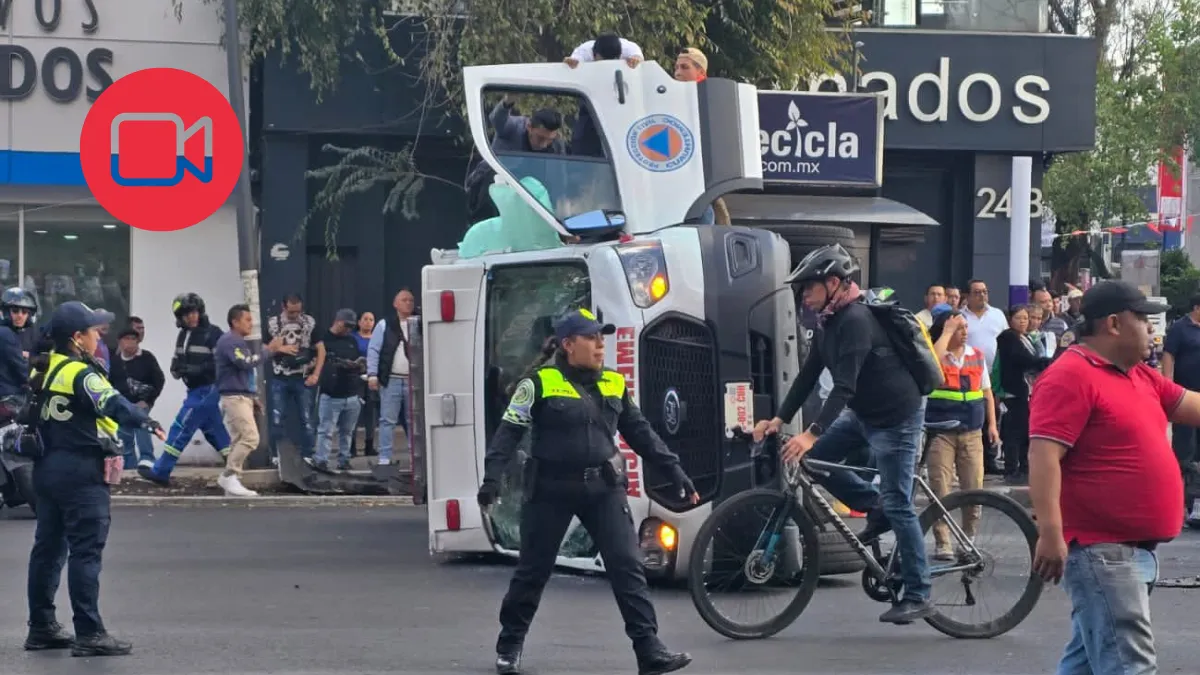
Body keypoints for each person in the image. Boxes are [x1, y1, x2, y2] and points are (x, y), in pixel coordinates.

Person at [478, 308, 698, 675]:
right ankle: (510, 643)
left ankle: (649, 650)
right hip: (550, 489)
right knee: (533, 571)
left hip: (602, 489)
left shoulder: (613, 383)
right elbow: (507, 435)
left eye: (602, 337)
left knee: (628, 567)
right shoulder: (537, 384)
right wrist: (491, 481)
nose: (600, 345)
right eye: (591, 338)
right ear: (567, 344)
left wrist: (674, 470)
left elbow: (641, 432)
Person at [752, 244, 931, 624]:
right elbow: (808, 375)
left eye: (809, 288)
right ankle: (876, 506)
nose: (804, 296)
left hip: (897, 417)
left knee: (899, 504)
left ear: (834, 283)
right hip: (864, 413)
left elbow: (843, 387)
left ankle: (918, 593)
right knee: (812, 461)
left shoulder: (855, 320)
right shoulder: (829, 321)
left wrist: (812, 433)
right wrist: (779, 420)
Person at [1028, 281, 1200, 675]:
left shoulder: (1138, 375)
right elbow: (1044, 455)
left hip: (1128, 552)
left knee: (1088, 663)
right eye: (1143, 319)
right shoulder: (1070, 375)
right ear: (1114, 324)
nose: (1152, 330)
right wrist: (1050, 532)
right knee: (1129, 665)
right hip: (1101, 551)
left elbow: (1191, 405)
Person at [25, 301, 166, 657]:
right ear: (77, 338)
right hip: (80, 472)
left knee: (48, 550)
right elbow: (111, 403)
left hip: (45, 469)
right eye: (92, 331)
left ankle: (41, 627)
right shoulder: (80, 373)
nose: (97, 335)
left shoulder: (43, 368)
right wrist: (146, 421)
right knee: (86, 552)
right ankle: (89, 632)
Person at [925, 303, 999, 560]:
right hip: (940, 432)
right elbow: (931, 365)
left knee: (973, 489)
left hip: (971, 431)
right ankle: (942, 542)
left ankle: (967, 540)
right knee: (940, 488)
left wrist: (992, 425)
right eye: (959, 327)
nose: (965, 331)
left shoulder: (976, 355)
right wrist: (946, 333)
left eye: (966, 327)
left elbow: (987, 392)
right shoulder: (937, 353)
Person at [138, 293, 231, 486]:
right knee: (215, 431)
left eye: (194, 312)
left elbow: (222, 363)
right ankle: (235, 469)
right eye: (187, 313)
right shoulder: (183, 334)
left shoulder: (213, 333)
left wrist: (199, 369)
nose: (192, 316)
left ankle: (161, 471)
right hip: (194, 389)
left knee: (180, 428)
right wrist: (177, 368)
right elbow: (178, 358)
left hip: (207, 389)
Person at [215, 304, 295, 496]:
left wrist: (252, 396)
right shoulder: (230, 342)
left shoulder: (237, 341)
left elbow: (245, 370)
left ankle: (232, 484)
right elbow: (246, 363)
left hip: (241, 395)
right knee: (251, 437)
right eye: (247, 320)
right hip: (234, 397)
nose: (251, 324)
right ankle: (230, 474)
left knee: (238, 439)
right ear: (235, 322)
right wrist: (271, 350)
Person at [306, 309, 366, 473]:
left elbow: (359, 361)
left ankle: (344, 459)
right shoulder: (324, 339)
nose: (348, 329)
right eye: (346, 325)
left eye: (351, 326)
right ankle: (321, 459)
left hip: (351, 392)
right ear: (338, 321)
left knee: (347, 431)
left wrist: (355, 366)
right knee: (326, 429)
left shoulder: (352, 341)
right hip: (331, 392)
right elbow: (315, 360)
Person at [367, 289, 417, 467]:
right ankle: (384, 458)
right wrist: (372, 374)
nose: (408, 303)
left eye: (411, 300)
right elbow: (374, 350)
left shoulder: (418, 323)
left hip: (414, 380)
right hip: (392, 379)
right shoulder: (384, 324)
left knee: (414, 421)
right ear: (395, 304)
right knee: (387, 420)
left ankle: (415, 458)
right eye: (404, 300)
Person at [108, 327, 165, 471]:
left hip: (142, 401)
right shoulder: (114, 361)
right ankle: (129, 465)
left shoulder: (146, 357)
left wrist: (148, 400)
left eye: (134, 339)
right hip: (123, 403)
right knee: (123, 432)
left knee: (142, 426)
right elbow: (109, 382)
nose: (131, 343)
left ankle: (147, 459)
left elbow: (159, 380)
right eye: (127, 339)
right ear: (120, 342)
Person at [0, 287, 35, 398]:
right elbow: (24, 373)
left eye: (24, 312)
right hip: (8, 397)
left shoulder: (10, 333)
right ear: (6, 312)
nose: (20, 315)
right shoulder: (6, 334)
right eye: (15, 311)